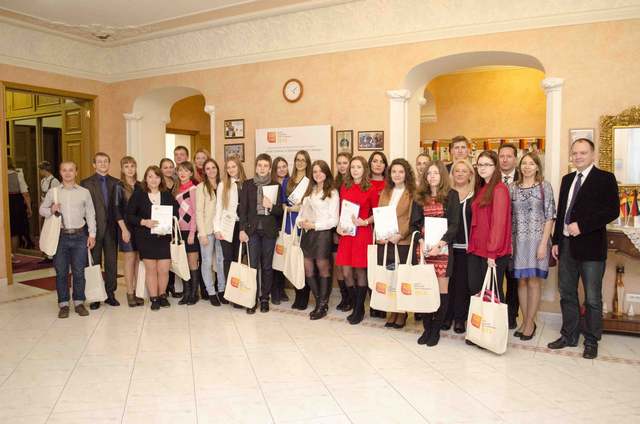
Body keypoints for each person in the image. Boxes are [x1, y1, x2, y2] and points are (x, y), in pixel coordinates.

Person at [548, 138, 619, 359]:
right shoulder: (567, 179)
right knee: (567, 292)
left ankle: (591, 340)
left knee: (592, 298)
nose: (578, 156)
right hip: (566, 246)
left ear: (593, 154)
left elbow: (612, 211)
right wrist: (556, 241)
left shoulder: (605, 178)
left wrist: (583, 226)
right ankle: (569, 335)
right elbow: (562, 212)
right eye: (575, 153)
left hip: (591, 247)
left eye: (583, 153)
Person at [411, 161, 460, 346]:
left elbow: (454, 224)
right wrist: (421, 241)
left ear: (442, 176)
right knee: (424, 289)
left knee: (441, 290)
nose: (432, 176)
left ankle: (435, 330)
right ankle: (427, 328)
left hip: (443, 250)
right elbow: (414, 224)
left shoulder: (451, 195)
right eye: (429, 173)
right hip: (423, 250)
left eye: (436, 173)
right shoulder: (419, 197)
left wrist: (440, 245)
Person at [39, 161, 96, 318]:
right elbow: (42, 210)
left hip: (80, 236)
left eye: (71, 170)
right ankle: (63, 304)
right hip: (60, 237)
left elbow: (90, 214)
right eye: (64, 170)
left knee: (79, 272)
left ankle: (79, 302)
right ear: (60, 172)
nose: (68, 173)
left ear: (76, 172)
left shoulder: (84, 192)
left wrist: (92, 235)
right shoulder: (53, 192)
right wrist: (51, 209)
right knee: (61, 272)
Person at [510, 153, 556, 341]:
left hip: (538, 241)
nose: (527, 167)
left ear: (537, 167)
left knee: (534, 281)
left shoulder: (545, 187)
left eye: (531, 163)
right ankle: (525, 321)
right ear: (519, 167)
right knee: (521, 281)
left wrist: (543, 244)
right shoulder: (512, 188)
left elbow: (550, 216)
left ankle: (530, 323)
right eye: (524, 163)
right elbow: (508, 217)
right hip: (518, 241)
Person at [126, 166, 179, 311]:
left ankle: (162, 295)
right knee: (151, 269)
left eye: (156, 176)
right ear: (146, 179)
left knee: (164, 269)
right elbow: (129, 215)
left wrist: (168, 224)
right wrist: (144, 222)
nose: (153, 180)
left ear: (161, 179)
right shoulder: (139, 194)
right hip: (145, 238)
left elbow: (176, 213)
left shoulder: (167, 195)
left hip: (164, 237)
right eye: (150, 176)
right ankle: (154, 298)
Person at [238, 153, 284, 313]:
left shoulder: (276, 185)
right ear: (256, 167)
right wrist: (242, 230)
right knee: (253, 266)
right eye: (259, 165)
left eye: (265, 166)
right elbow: (242, 210)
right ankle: (252, 299)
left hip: (269, 231)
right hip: (251, 231)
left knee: (267, 266)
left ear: (270, 168)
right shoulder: (248, 184)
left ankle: (265, 298)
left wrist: (271, 206)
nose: (262, 168)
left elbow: (280, 211)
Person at [336, 156, 379, 325]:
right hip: (346, 234)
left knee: (360, 272)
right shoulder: (344, 187)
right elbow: (341, 211)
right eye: (353, 167)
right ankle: (356, 304)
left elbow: (377, 213)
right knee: (346, 271)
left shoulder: (371, 188)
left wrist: (366, 222)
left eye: (358, 167)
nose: (355, 170)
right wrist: (338, 227)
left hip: (362, 233)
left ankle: (359, 309)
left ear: (364, 169)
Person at [467, 151, 512, 305]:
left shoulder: (499, 189)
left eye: (487, 164)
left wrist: (492, 253)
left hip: (492, 252)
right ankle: (479, 321)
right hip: (477, 248)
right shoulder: (481, 188)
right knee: (477, 291)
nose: (482, 168)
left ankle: (497, 322)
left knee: (492, 295)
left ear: (495, 167)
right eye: (480, 164)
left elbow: (499, 224)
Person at [377, 158, 417, 329]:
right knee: (390, 277)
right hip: (386, 242)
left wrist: (400, 235)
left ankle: (402, 312)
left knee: (401, 278)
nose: (397, 175)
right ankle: (392, 310)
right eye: (394, 171)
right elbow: (380, 214)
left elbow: (412, 218)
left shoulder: (412, 193)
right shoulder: (385, 192)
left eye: (401, 171)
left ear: (406, 174)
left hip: (402, 242)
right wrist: (380, 234)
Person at [297, 160, 339, 320]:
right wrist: (300, 222)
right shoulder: (310, 190)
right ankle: (320, 301)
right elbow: (301, 212)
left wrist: (315, 225)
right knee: (308, 268)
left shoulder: (332, 192)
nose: (318, 174)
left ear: (326, 173)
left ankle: (322, 306)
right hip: (308, 234)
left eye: (321, 171)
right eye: (315, 171)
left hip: (322, 234)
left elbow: (334, 220)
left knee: (323, 268)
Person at [81, 152, 120, 309]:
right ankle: (95, 297)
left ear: (109, 164)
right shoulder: (86, 183)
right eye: (99, 161)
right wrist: (87, 232)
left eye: (105, 161)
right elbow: (83, 208)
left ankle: (110, 294)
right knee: (94, 263)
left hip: (112, 230)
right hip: (94, 231)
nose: (103, 164)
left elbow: (118, 206)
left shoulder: (116, 182)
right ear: (94, 165)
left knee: (111, 263)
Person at [442, 160, 475, 334]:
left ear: (470, 174)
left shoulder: (475, 194)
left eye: (464, 171)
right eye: (457, 171)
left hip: (467, 247)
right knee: (448, 283)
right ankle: (446, 316)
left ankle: (460, 319)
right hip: (447, 245)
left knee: (462, 284)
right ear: (452, 174)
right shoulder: (446, 194)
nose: (460, 173)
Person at [215, 156, 246, 307]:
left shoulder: (246, 184)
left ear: (239, 167)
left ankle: (240, 293)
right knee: (228, 260)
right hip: (227, 227)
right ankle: (231, 293)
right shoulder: (223, 185)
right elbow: (218, 208)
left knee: (239, 260)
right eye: (228, 167)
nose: (231, 169)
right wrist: (217, 229)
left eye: (234, 166)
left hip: (242, 227)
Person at [115, 156, 144, 307]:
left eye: (132, 166)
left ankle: (138, 292)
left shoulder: (140, 185)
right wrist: (124, 230)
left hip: (139, 227)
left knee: (139, 259)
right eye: (126, 166)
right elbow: (116, 210)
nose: (130, 169)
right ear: (122, 169)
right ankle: (130, 293)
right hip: (125, 227)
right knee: (129, 259)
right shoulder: (119, 186)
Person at [499, 142, 521, 328]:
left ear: (515, 159)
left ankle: (511, 316)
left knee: (514, 280)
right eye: (502, 156)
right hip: (496, 238)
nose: (505, 160)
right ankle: (496, 315)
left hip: (517, 238)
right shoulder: (490, 178)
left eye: (509, 156)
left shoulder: (524, 178)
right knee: (496, 278)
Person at [287, 150, 312, 311]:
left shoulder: (310, 182)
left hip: (304, 225)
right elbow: (283, 201)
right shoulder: (288, 181)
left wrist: (299, 207)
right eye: (297, 159)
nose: (300, 162)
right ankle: (298, 295)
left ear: (307, 162)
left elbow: (311, 203)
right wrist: (287, 207)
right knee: (294, 261)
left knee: (304, 263)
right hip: (290, 225)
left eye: (303, 160)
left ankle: (304, 296)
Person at [196, 158, 223, 306]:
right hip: (206, 230)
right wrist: (202, 233)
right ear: (204, 172)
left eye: (213, 167)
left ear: (217, 169)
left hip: (221, 230)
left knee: (220, 260)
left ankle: (222, 290)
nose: (211, 170)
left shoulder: (223, 185)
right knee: (206, 262)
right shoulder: (201, 187)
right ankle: (211, 292)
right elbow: (199, 212)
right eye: (208, 168)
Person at [175, 161, 201, 305]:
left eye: (186, 170)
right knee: (183, 263)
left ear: (191, 173)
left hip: (191, 232)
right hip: (179, 232)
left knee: (192, 262)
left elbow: (196, 212)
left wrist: (192, 233)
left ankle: (194, 293)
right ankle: (186, 292)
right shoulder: (177, 190)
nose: (182, 173)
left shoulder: (193, 189)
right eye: (180, 170)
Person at [368, 151, 388, 319]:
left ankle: (384, 304)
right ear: (370, 164)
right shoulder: (365, 182)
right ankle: (374, 303)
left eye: (381, 161)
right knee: (371, 266)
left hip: (385, 229)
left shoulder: (390, 183)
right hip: (367, 228)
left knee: (384, 267)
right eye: (375, 161)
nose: (378, 164)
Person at [159, 158, 181, 298]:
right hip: (162, 224)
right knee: (164, 255)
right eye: (165, 167)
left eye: (170, 167)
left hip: (176, 223)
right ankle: (163, 287)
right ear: (160, 169)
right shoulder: (158, 183)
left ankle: (172, 285)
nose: (168, 169)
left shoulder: (178, 183)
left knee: (174, 254)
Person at [333, 152, 352, 312]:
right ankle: (344, 296)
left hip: (349, 228)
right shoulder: (334, 182)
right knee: (338, 265)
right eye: (339, 163)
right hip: (334, 228)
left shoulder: (355, 182)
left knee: (348, 266)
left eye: (345, 163)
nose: (342, 166)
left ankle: (352, 298)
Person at [271, 156, 291, 304]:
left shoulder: (291, 183)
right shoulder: (270, 184)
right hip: (273, 224)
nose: (282, 169)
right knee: (274, 258)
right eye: (279, 167)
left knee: (283, 257)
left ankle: (282, 289)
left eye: (284, 166)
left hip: (287, 225)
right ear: (274, 169)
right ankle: (275, 291)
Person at [8, 158, 33, 260]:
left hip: (4, 201)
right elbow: (25, 193)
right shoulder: (18, 174)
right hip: (16, 202)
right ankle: (12, 255)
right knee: (14, 231)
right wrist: (29, 208)